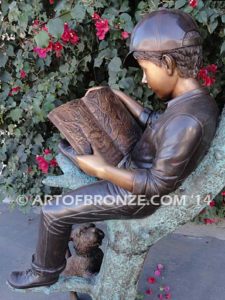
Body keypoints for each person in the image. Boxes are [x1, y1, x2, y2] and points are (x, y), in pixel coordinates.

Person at [8, 8, 219, 289]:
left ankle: (44, 270)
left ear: (167, 63)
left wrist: (102, 170)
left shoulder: (188, 120)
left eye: (145, 70)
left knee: (53, 212)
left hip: (135, 196)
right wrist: (120, 97)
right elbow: (156, 123)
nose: (144, 80)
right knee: (74, 145)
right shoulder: (193, 103)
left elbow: (156, 185)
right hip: (133, 165)